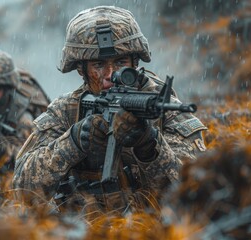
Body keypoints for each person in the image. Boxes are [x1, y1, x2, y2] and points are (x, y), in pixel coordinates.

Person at [13, 6, 208, 213]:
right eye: (98, 64)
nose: (110, 74)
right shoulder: (67, 111)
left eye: (121, 62)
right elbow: (22, 190)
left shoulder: (163, 107)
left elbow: (196, 192)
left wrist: (149, 145)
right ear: (82, 69)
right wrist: (73, 142)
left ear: (135, 62)